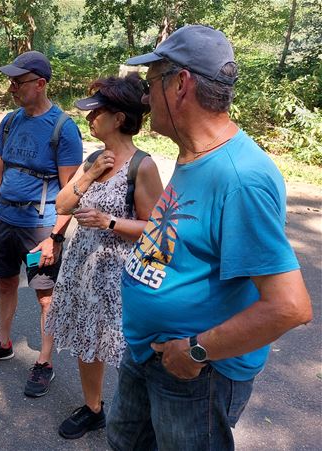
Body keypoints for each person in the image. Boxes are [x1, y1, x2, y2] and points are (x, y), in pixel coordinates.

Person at [107, 25, 313, 450]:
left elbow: (290, 307)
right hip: (149, 352)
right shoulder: (193, 154)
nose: (145, 98)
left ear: (180, 84)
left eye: (151, 84)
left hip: (194, 372)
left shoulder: (240, 178)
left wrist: (195, 351)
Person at [43, 73, 163, 439]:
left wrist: (109, 221)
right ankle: (93, 408)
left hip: (120, 274)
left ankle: (139, 416)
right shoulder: (94, 158)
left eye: (97, 112)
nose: (89, 118)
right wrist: (90, 174)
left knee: (125, 348)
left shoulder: (143, 167)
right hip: (83, 267)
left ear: (120, 118)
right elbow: (62, 204)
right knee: (87, 340)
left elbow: (157, 230)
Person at [0, 50, 83, 398]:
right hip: (6, 222)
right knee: (5, 284)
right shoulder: (9, 121)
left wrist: (54, 237)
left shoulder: (64, 129)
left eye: (18, 83)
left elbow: (71, 192)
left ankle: (45, 362)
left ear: (40, 83)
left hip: (39, 231)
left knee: (45, 296)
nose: (11, 89)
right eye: (11, 82)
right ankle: (4, 343)